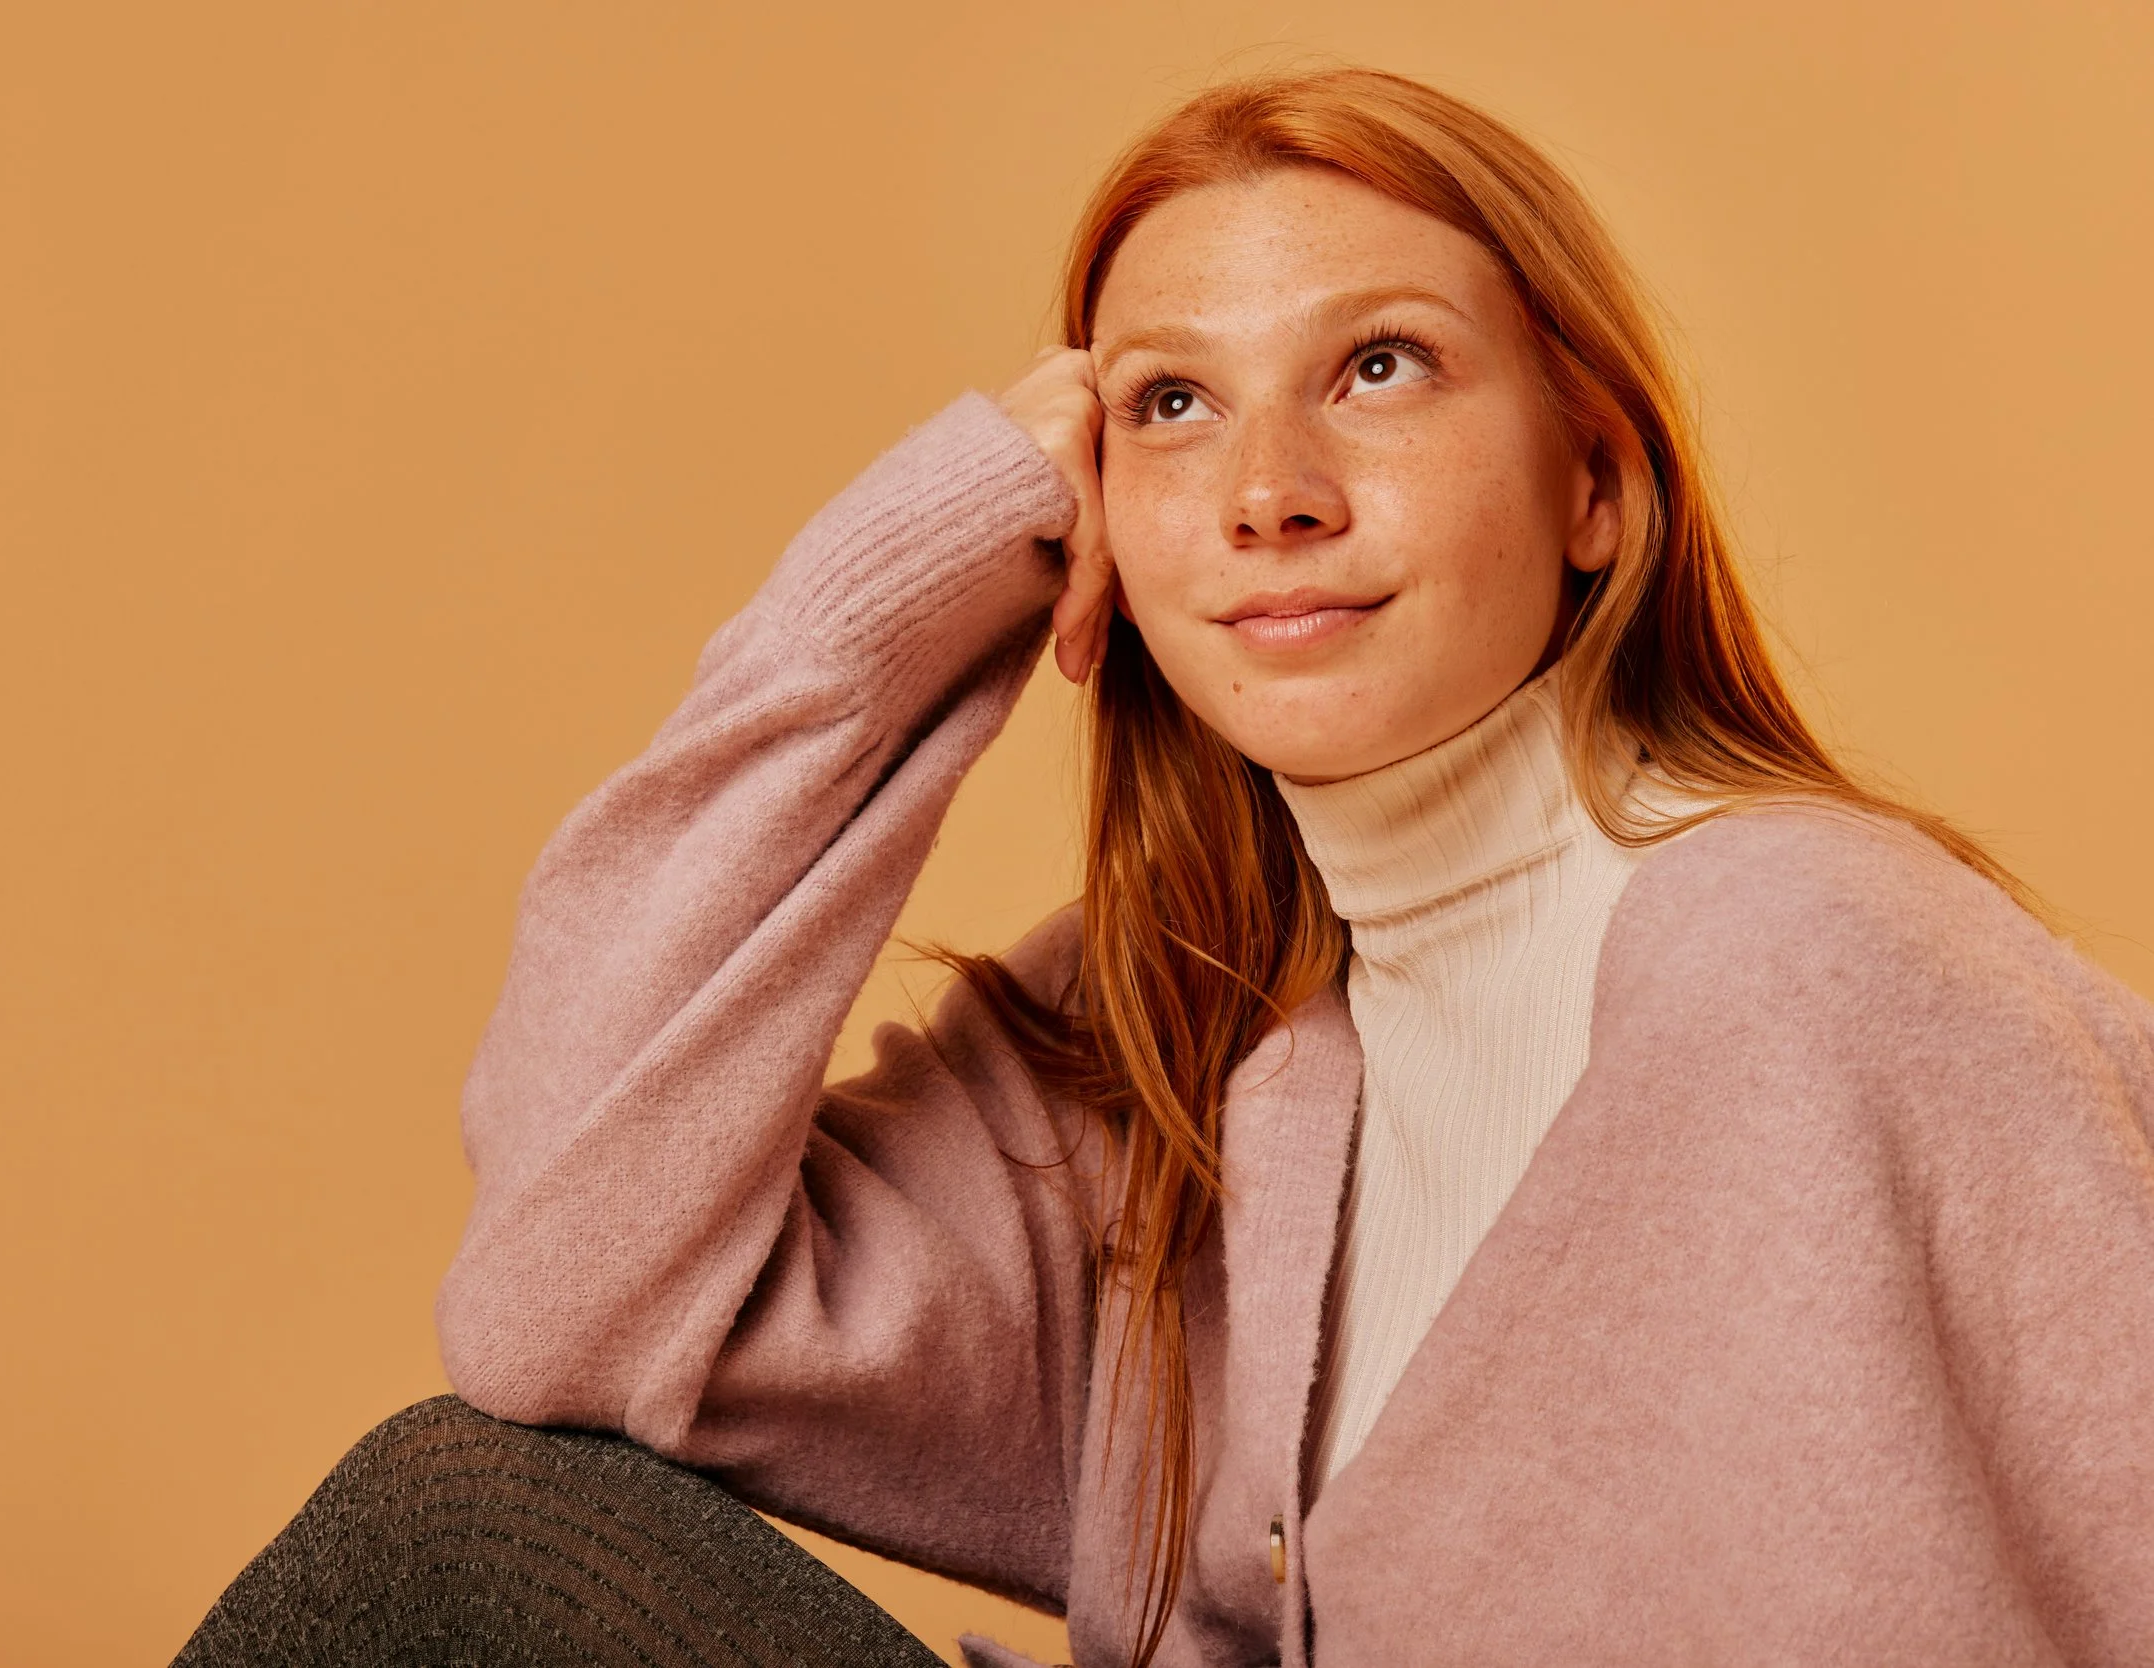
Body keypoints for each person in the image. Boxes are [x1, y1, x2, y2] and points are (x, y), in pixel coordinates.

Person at [176, 67, 2154, 1668]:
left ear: (1592, 481)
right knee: (467, 1525)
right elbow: (562, 1301)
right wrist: (891, 596)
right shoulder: (1182, 1038)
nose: (1269, 494)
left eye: (1380, 367)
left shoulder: (1808, 960)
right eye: (1171, 407)